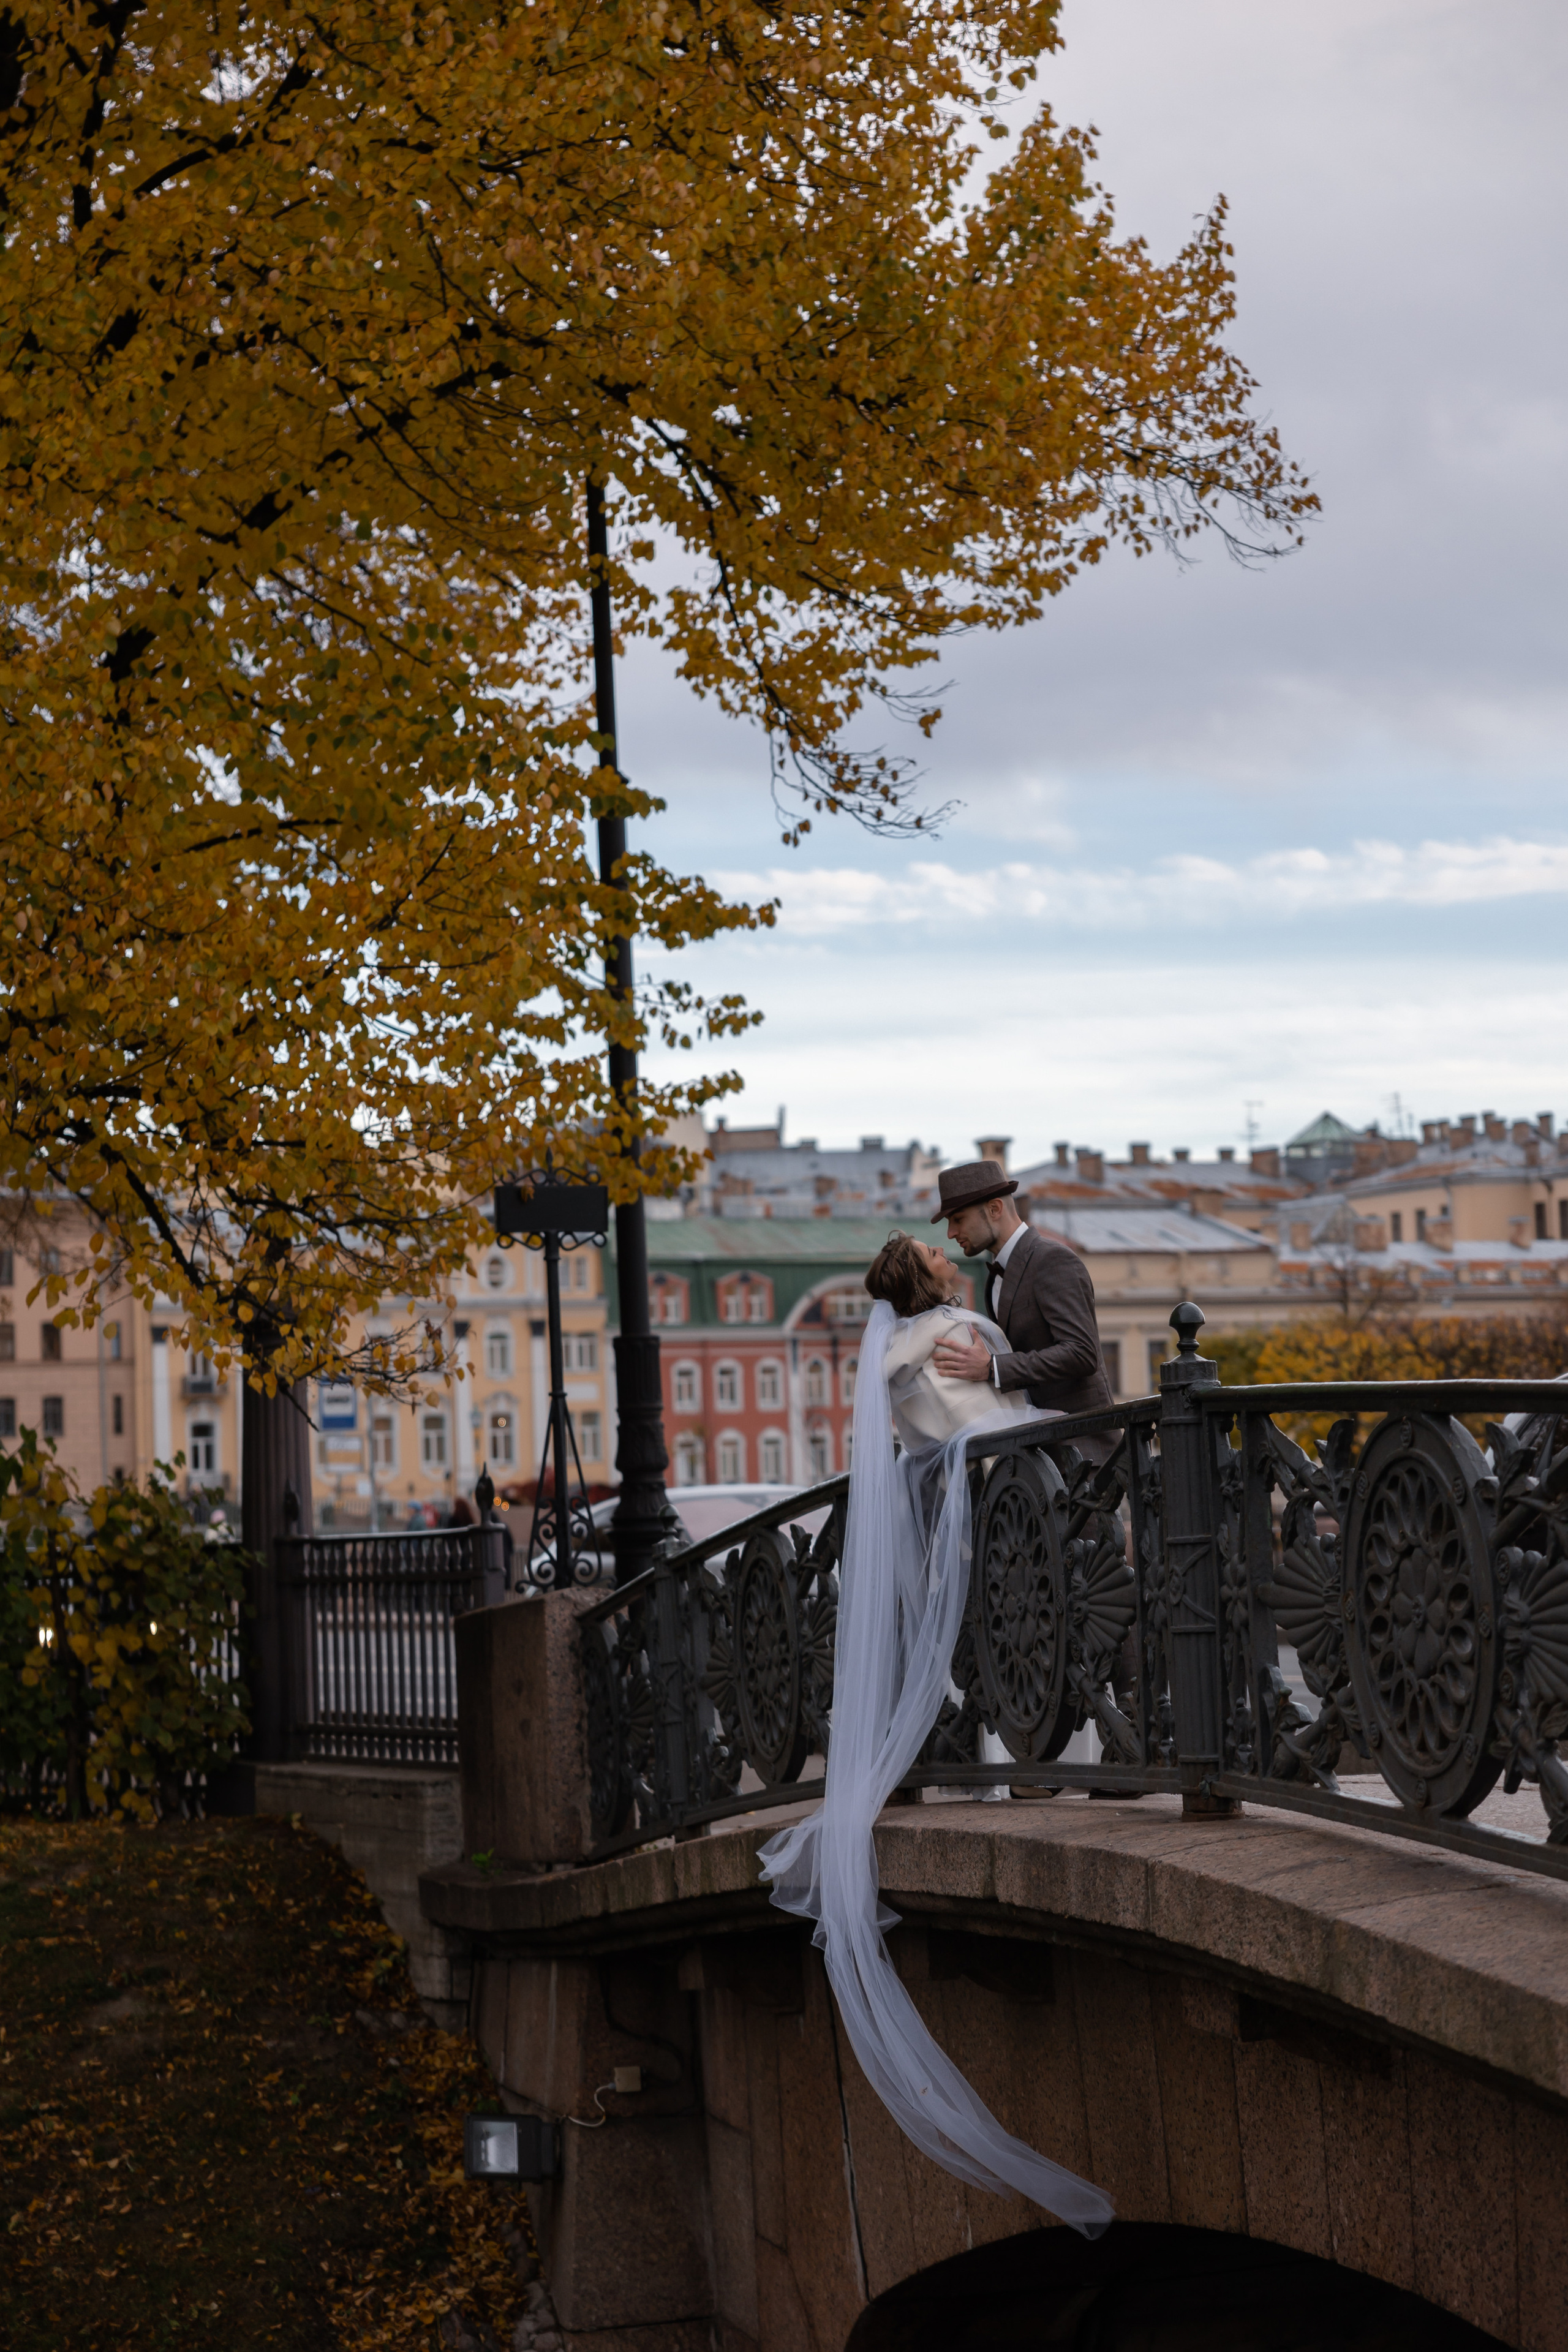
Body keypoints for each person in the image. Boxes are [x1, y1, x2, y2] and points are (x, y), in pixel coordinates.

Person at [758, 1232, 1115, 2240]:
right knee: (1040, 1642)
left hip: (939, 1511)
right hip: (1010, 1508)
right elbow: (1005, 1412)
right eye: (944, 1259)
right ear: (937, 1279)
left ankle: (1001, 1773)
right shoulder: (962, 1329)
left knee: (978, 1655)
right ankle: (1048, 1771)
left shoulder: (884, 1357)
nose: (958, 1268)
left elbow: (911, 1438)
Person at [929, 1159, 1115, 1463]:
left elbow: (1082, 1353)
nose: (951, 1233)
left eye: (958, 1219)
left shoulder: (1053, 1260)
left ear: (994, 1209)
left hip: (1084, 1456)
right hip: (1037, 1459)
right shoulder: (994, 1278)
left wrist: (993, 1367)